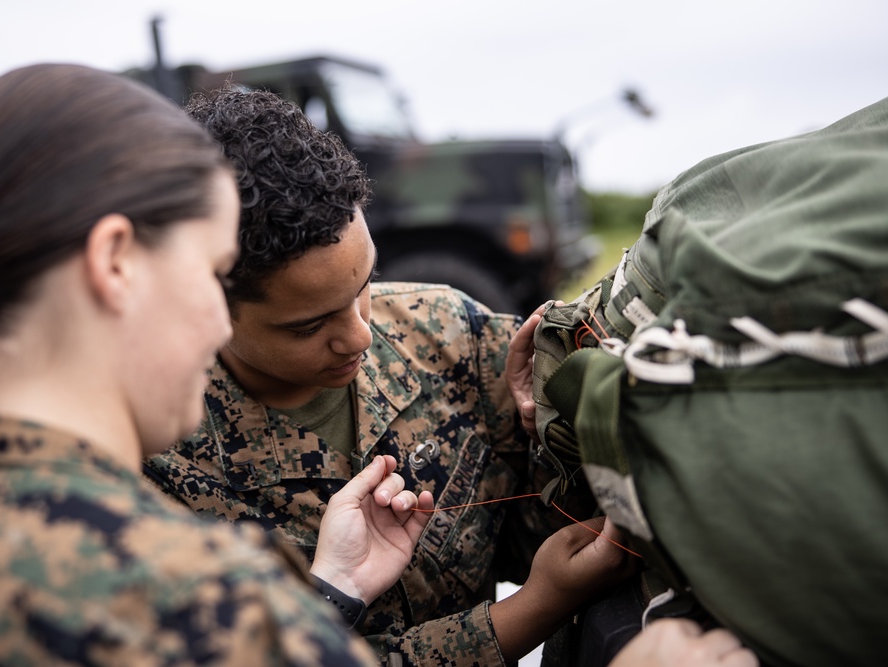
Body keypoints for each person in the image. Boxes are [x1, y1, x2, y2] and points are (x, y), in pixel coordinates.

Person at [0, 63, 434, 666]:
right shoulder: (207, 610)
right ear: (116, 263)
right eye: (209, 271)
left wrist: (335, 589)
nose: (220, 324)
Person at [142, 84, 641, 666]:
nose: (358, 335)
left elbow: (557, 521)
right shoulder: (157, 455)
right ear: (204, 303)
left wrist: (552, 432)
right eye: (308, 326)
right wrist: (538, 606)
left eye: (364, 287)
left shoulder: (447, 330)